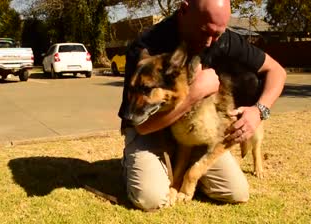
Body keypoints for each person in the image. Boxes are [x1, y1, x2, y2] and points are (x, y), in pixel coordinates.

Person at [119, 0, 286, 211]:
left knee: (235, 192)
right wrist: (195, 93)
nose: (210, 42)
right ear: (183, 10)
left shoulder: (222, 39)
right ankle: (135, 165)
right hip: (152, 129)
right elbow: (141, 125)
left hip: (193, 132)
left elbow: (277, 71)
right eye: (205, 31)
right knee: (151, 198)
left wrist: (259, 111)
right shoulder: (146, 46)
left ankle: (180, 170)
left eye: (217, 34)